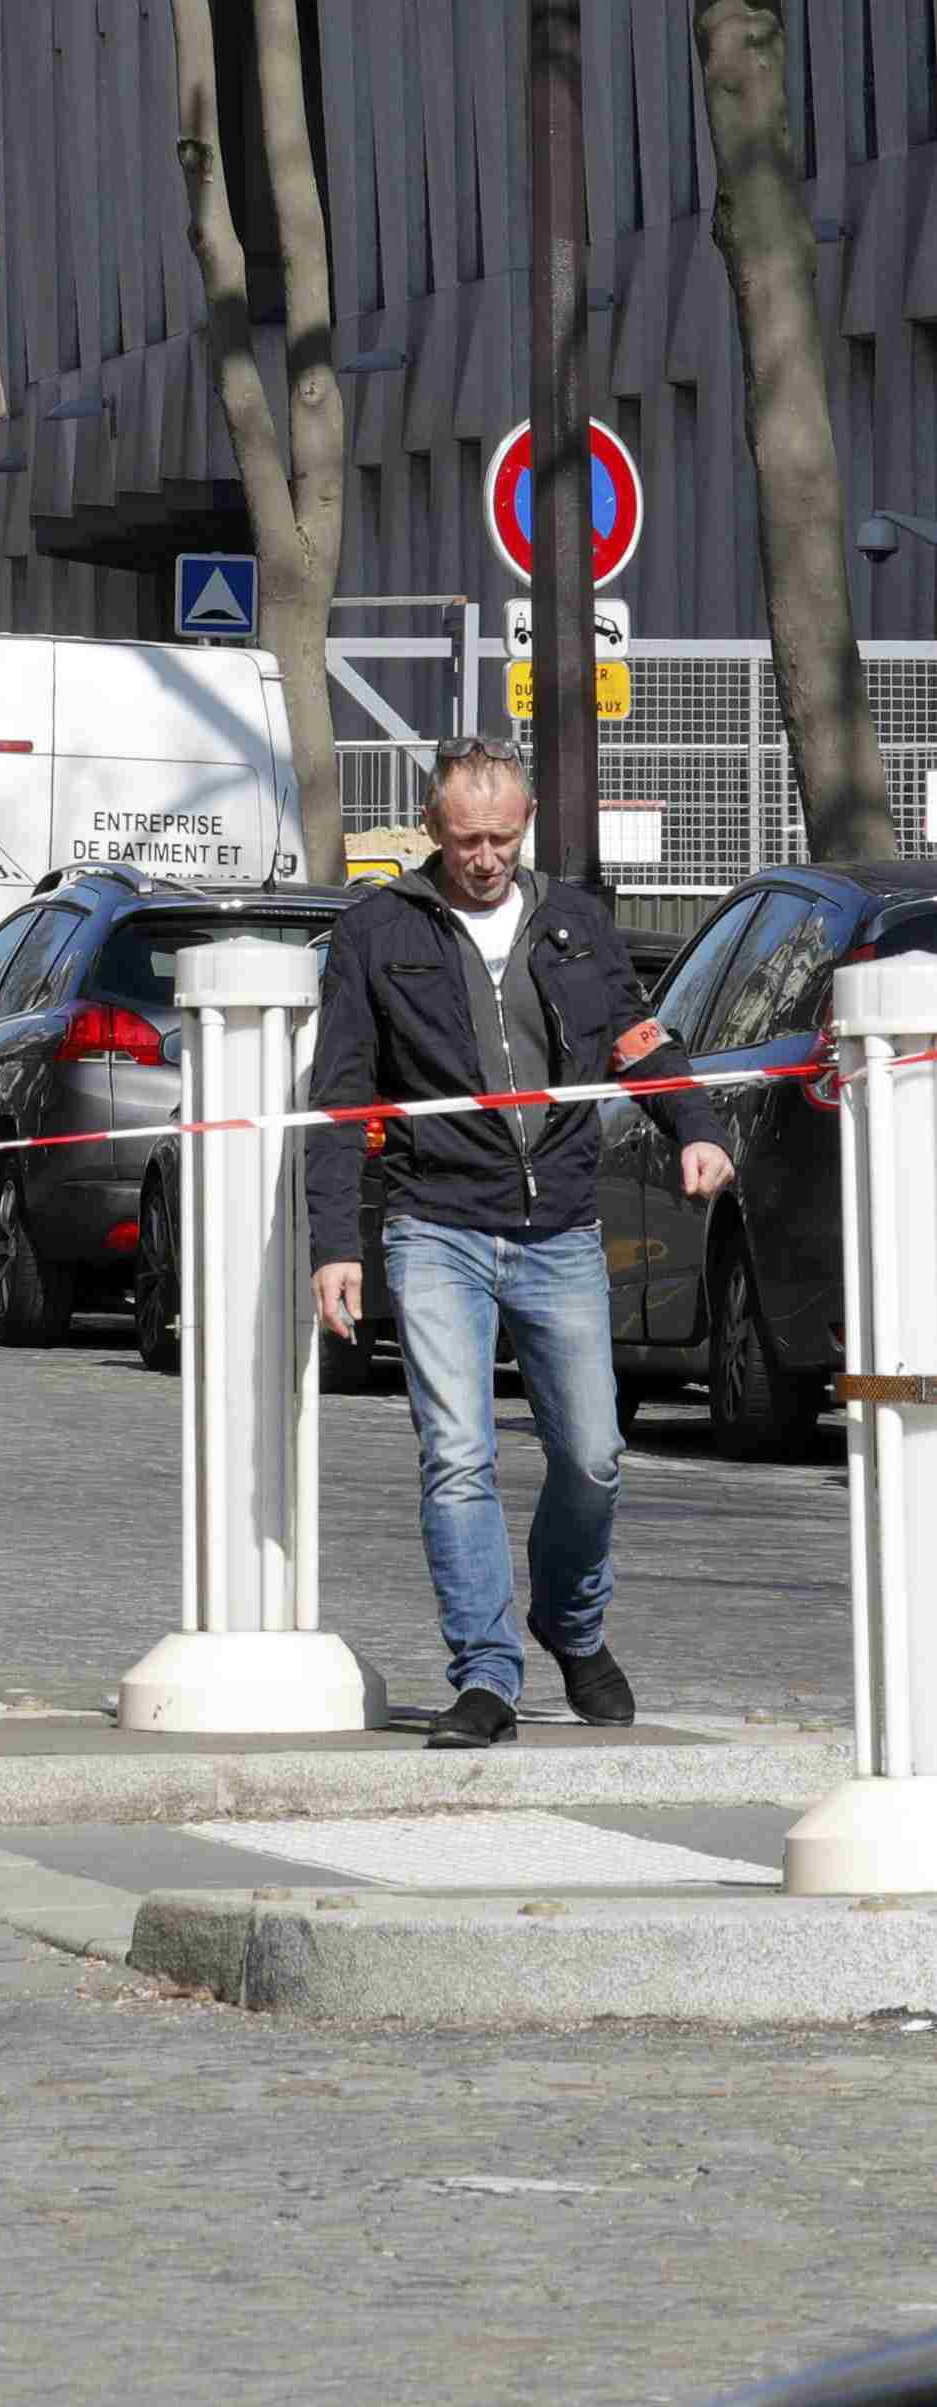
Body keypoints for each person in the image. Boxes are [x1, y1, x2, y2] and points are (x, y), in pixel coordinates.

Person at [308, 739, 732, 1750]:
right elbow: (337, 1095)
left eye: (502, 838)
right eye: (464, 840)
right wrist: (336, 1241)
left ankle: (570, 1624)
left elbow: (639, 1041)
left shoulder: (576, 922)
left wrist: (699, 1126)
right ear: (431, 826)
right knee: (456, 1457)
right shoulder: (377, 930)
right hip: (435, 1225)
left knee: (592, 1458)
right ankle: (487, 1676)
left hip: (561, 1230)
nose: (485, 858)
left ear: (528, 821)